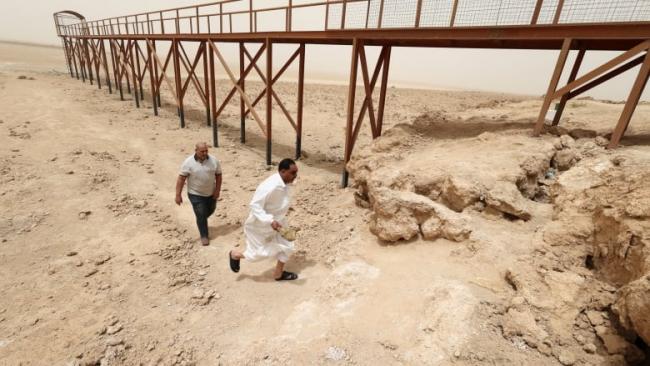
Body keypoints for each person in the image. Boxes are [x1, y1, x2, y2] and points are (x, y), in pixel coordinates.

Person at [229, 158, 299, 281]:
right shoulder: (270, 186)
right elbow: (255, 205)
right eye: (293, 173)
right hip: (260, 225)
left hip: (279, 221)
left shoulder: (284, 183)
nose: (295, 176)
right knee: (258, 253)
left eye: (296, 172)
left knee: (288, 244)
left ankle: (278, 274)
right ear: (283, 171)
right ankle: (236, 255)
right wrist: (270, 221)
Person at [175, 142, 222, 246]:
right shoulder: (188, 163)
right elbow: (181, 178)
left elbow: (218, 175)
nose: (205, 153)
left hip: (210, 192)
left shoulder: (214, 161)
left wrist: (217, 190)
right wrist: (178, 195)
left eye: (206, 151)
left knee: (210, 210)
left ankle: (201, 220)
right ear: (196, 150)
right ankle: (204, 235)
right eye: (202, 151)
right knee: (201, 213)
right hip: (195, 193)